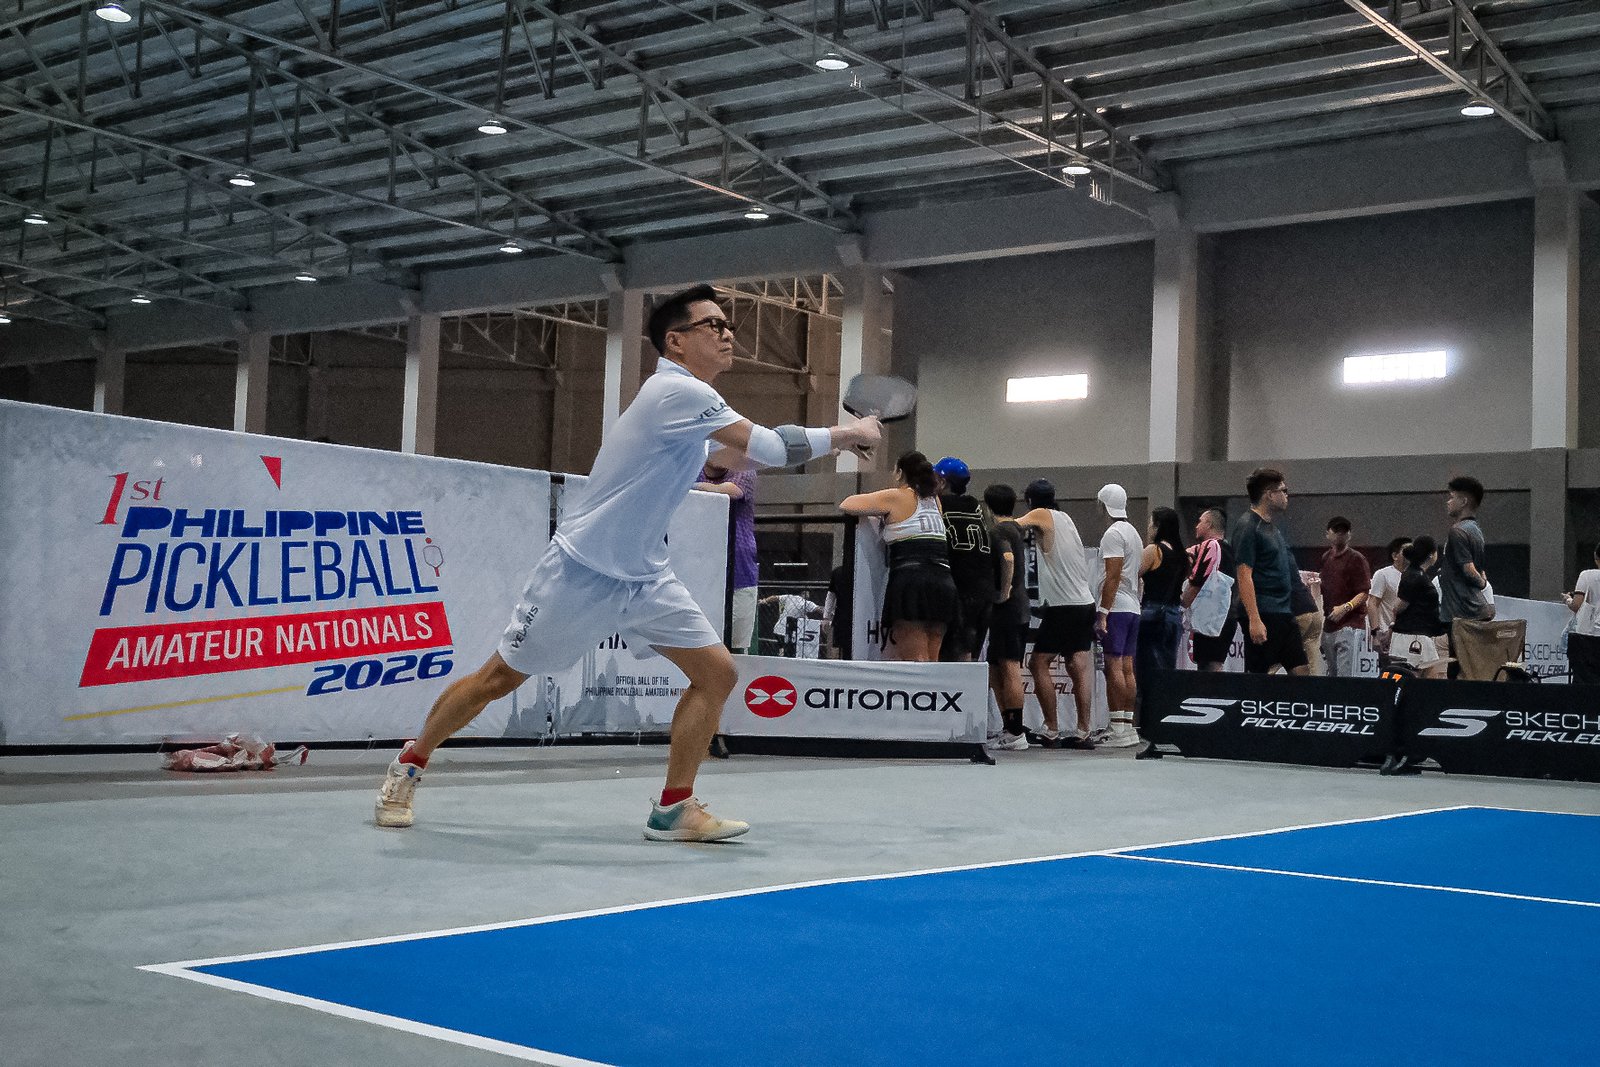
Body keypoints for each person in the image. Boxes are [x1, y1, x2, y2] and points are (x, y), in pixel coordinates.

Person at [372, 283, 881, 840]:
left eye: (727, 324)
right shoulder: (675, 392)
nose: (729, 332)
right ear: (676, 341)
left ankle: (673, 808)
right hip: (582, 570)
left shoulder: (688, 408)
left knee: (717, 674)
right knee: (500, 678)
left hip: (645, 577)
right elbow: (769, 448)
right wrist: (847, 432)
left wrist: (834, 440)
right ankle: (409, 764)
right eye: (714, 325)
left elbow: (731, 453)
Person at [841, 452, 960, 662]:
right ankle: (932, 693)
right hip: (943, 579)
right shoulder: (935, 501)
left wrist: (881, 512)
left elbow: (848, 503)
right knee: (933, 658)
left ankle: (919, 694)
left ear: (899, 472)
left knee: (915, 660)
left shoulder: (896, 496)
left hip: (912, 581)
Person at [1014, 479, 1096, 750]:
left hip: (1064, 606)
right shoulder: (1065, 518)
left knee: (1038, 664)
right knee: (1077, 666)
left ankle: (1051, 729)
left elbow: (1012, 526)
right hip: (1084, 603)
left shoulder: (1041, 514)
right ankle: (1084, 730)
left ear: (1029, 501)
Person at [1233, 468, 1310, 676]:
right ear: (1269, 494)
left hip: (1283, 613)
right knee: (1259, 678)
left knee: (1302, 672)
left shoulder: (1272, 528)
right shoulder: (1248, 526)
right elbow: (1244, 575)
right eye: (1283, 491)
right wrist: (1254, 619)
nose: (1287, 496)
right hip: (1265, 612)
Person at [1094, 483, 1144, 749]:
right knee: (1126, 667)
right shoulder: (1134, 533)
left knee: (1114, 667)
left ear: (1104, 505)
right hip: (1133, 606)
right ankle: (1127, 727)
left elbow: (1112, 577)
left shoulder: (1112, 534)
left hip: (1117, 608)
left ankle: (1117, 729)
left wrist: (1103, 612)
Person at [983, 485, 1033, 751]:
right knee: (995, 667)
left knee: (1009, 664)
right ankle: (1008, 727)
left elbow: (1007, 558)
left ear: (988, 507)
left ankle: (1016, 732)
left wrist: (1004, 591)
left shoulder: (1000, 530)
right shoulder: (1016, 528)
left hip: (1009, 607)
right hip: (1016, 607)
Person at [934, 456, 998, 663]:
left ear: (942, 482)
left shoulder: (940, 506)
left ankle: (959, 694)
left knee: (955, 652)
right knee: (971, 649)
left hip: (961, 588)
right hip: (984, 590)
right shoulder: (975, 507)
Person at [695, 463, 757, 653]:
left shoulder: (744, 468)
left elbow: (730, 492)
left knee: (735, 650)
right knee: (699, 648)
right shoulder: (693, 468)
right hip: (700, 573)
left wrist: (688, 487)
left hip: (740, 576)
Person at [1440, 475, 1492, 677]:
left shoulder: (1458, 531)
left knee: (1460, 667)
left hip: (1462, 613)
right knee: (1473, 666)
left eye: (1452, 497)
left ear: (1463, 501)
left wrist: (1481, 583)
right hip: (1472, 611)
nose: (1448, 501)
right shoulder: (1476, 530)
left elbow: (1469, 569)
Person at [1135, 506, 1186, 698]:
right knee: (1167, 668)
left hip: (1152, 613)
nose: (1148, 528)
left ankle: (1148, 717)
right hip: (1174, 615)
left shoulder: (1154, 550)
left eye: (1150, 523)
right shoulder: (1182, 555)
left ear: (1158, 526)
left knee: (1147, 669)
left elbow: (1133, 574)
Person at [1183, 508, 1238, 671]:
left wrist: (1182, 605)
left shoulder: (1210, 546)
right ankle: (1213, 694)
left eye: (1200, 521)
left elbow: (1197, 580)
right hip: (1227, 615)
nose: (1196, 526)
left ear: (1209, 524)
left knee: (1208, 665)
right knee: (1215, 662)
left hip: (1212, 617)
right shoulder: (1229, 550)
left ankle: (1210, 695)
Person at [1318, 516, 1371, 676]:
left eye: (1344, 532)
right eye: (1337, 531)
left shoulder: (1356, 559)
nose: (1340, 535)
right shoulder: (1326, 558)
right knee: (1332, 674)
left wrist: (1346, 607)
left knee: (1345, 675)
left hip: (1351, 624)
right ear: (1328, 534)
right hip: (1330, 624)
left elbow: (1364, 592)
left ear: (1349, 535)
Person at [1390, 536, 1449, 679]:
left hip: (1420, 636)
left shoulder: (1417, 574)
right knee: (1414, 681)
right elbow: (1397, 607)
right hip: (1413, 639)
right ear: (1432, 554)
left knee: (1430, 681)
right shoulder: (1414, 576)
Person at [1366, 537, 1412, 658]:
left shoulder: (1414, 576)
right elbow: (1372, 603)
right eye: (1405, 550)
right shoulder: (1383, 574)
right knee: (1390, 672)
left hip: (1408, 634)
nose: (1410, 554)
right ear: (1395, 556)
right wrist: (1375, 633)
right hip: (1387, 634)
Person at [1565, 542, 1600, 685]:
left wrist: (1568, 600)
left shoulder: (1587, 575)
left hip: (1588, 638)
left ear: (1596, 558)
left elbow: (1577, 605)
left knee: (1584, 684)